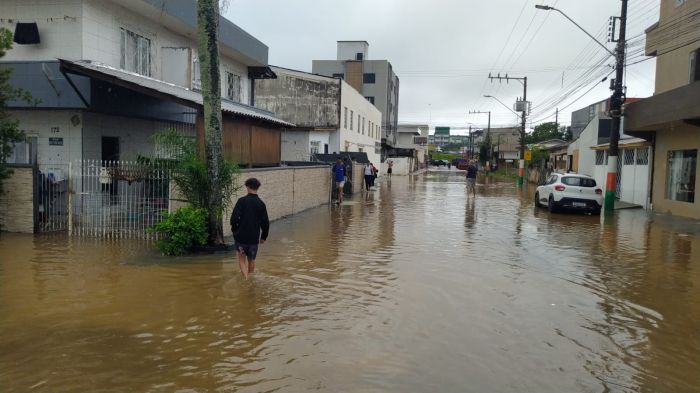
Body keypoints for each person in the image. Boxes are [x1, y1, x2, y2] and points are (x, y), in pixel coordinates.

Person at [230, 178, 269, 280]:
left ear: (247, 187)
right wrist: (263, 237)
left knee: (242, 258)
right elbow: (265, 223)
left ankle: (246, 278)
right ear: (258, 188)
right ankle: (250, 279)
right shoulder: (261, 204)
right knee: (251, 259)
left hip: (241, 237)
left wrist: (234, 230)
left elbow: (234, 218)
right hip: (253, 237)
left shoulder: (242, 201)